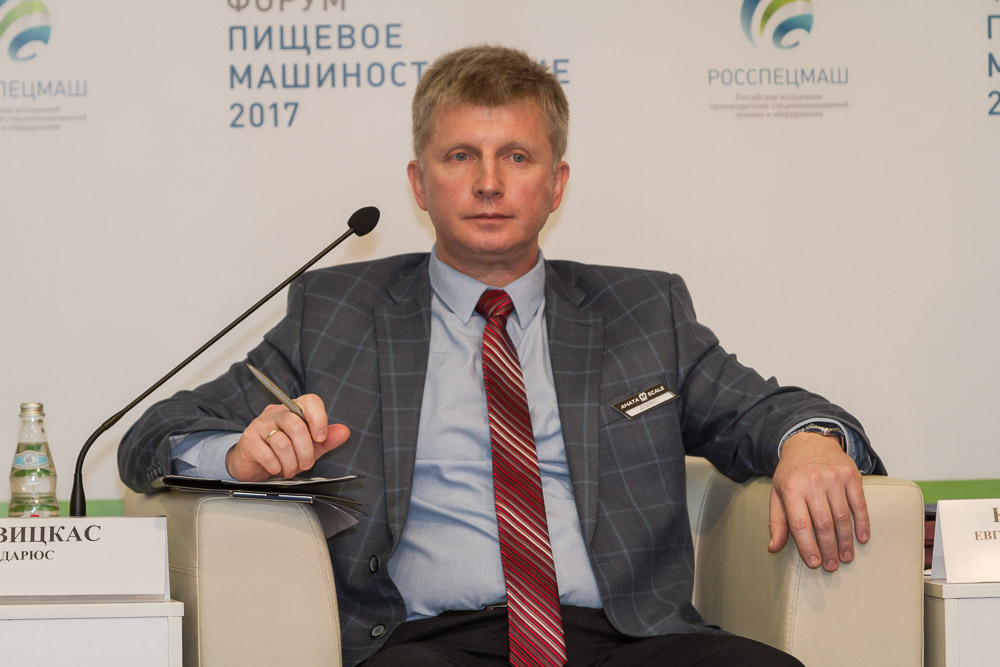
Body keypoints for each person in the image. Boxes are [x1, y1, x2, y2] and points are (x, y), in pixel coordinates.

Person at [119, 45, 884, 667]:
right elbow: (151, 435)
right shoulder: (339, 314)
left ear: (557, 184)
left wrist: (809, 440)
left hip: (627, 638)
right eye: (461, 155)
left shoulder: (643, 311)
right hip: (426, 642)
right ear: (420, 183)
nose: (489, 183)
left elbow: (767, 411)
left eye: (517, 156)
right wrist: (239, 457)